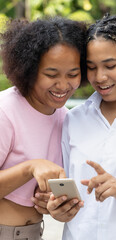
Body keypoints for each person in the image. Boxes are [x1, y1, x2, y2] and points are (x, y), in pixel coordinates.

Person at [47, 13, 116, 240]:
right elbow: (65, 195)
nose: (99, 77)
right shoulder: (73, 119)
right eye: (91, 67)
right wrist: (57, 210)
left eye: (110, 65)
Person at [0, 16, 86, 240]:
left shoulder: (65, 118)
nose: (63, 85)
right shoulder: (5, 110)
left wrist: (52, 205)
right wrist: (30, 167)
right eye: (51, 74)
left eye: (73, 74)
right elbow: (33, 168)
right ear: (28, 68)